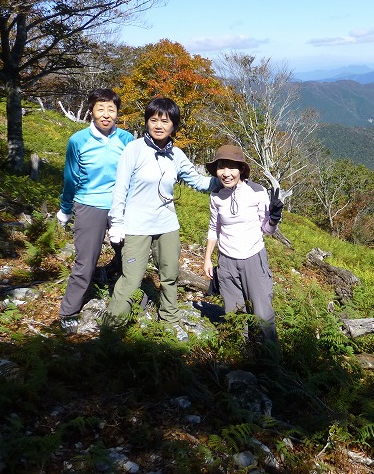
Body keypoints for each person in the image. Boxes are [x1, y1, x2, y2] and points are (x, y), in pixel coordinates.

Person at [102, 97, 221, 335]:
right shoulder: (134, 149)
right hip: (136, 226)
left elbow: (198, 182)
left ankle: (169, 319)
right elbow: (120, 188)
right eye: (153, 120)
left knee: (170, 276)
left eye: (165, 121)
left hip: (167, 225)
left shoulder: (176, 155)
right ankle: (111, 328)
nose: (158, 125)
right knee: (131, 278)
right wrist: (116, 223)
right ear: (147, 121)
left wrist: (226, 178)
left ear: (173, 126)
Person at [56, 88, 134, 335]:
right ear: (91, 111)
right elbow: (70, 177)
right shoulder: (78, 140)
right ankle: (69, 312)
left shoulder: (126, 139)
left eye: (112, 109)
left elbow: (134, 174)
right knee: (85, 262)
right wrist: (65, 208)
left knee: (131, 258)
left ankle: (129, 301)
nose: (106, 114)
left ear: (117, 113)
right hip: (89, 204)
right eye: (101, 109)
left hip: (122, 207)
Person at [202, 145, 284, 345]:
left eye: (232, 167)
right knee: (234, 313)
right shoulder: (216, 195)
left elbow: (267, 229)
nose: (226, 173)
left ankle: (270, 356)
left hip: (253, 257)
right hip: (226, 261)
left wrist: (274, 219)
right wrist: (207, 259)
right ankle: (241, 354)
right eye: (221, 167)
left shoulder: (257, 191)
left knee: (262, 313)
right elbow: (214, 228)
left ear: (241, 169)